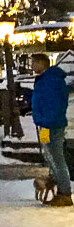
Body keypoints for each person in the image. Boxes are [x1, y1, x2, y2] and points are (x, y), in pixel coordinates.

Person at [30, 53, 72, 207]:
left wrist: (45, 121)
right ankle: (57, 185)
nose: (32, 66)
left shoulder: (51, 81)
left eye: (34, 62)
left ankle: (64, 192)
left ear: (42, 63)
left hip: (51, 125)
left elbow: (54, 104)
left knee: (56, 158)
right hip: (46, 125)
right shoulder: (47, 79)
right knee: (50, 156)